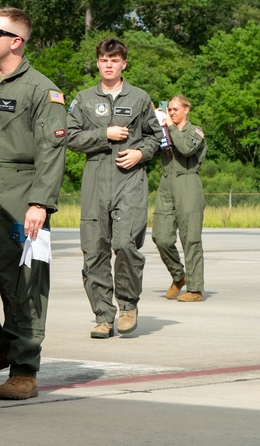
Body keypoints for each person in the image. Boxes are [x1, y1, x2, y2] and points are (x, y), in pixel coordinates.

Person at [0, 8, 67, 401]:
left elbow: (52, 149)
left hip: (20, 194)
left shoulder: (41, 90)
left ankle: (25, 366)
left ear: (16, 41)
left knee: (23, 287)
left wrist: (40, 203)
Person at [66, 38, 163, 338]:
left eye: (115, 59)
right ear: (97, 63)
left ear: (124, 63)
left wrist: (140, 153)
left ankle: (128, 304)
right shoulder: (83, 99)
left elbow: (156, 137)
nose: (109, 64)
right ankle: (103, 315)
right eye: (104, 59)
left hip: (129, 180)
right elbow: (69, 137)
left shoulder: (139, 98)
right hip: (95, 180)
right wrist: (103, 134)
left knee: (124, 245)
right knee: (94, 250)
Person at [152, 95, 207, 302]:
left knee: (190, 238)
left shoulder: (195, 131)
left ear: (186, 110)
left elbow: (185, 149)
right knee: (160, 236)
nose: (172, 112)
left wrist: (171, 127)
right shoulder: (165, 129)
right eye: (170, 110)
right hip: (166, 184)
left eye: (176, 109)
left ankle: (195, 289)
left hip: (188, 183)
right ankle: (178, 276)